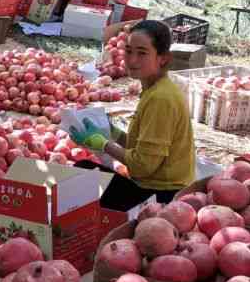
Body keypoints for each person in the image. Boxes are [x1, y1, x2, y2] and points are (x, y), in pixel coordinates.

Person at [70, 19, 196, 212]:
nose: (132, 60)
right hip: (160, 187)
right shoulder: (156, 89)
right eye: (128, 51)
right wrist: (112, 133)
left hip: (162, 197)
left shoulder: (161, 99)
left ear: (163, 58)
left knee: (82, 174)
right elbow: (143, 146)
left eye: (142, 53)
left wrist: (103, 144)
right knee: (86, 171)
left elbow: (143, 167)